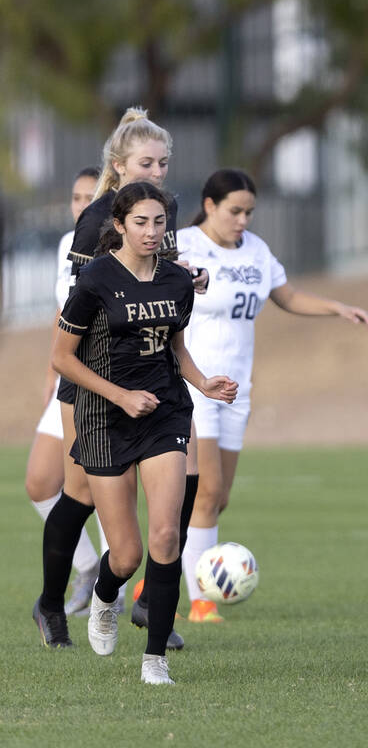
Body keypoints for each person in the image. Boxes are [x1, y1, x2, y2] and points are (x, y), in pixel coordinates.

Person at [50, 182, 237, 684]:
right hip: (106, 418)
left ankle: (155, 659)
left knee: (166, 534)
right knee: (127, 553)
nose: (152, 232)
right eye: (141, 222)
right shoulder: (94, 281)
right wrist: (119, 396)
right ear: (119, 225)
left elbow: (173, 346)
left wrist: (203, 383)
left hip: (165, 413)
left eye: (159, 223)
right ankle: (106, 596)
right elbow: (61, 358)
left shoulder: (177, 281)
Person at [173, 168, 368, 624]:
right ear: (209, 206)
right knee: (204, 494)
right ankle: (200, 601)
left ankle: (157, 576)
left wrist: (337, 308)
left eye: (249, 212)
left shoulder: (257, 251)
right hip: (196, 385)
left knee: (218, 497)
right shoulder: (183, 245)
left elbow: (286, 296)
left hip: (237, 389)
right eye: (235, 211)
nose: (243, 219)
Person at [34, 108, 195, 651]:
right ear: (119, 165)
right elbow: (76, 302)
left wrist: (189, 280)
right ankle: (52, 604)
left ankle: (152, 601)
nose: (157, 170)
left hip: (150, 378)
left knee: (178, 482)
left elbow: (158, 285)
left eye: (164, 162)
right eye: (146, 161)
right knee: (77, 491)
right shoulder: (101, 217)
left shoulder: (157, 215)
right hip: (94, 375)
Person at [27, 167, 103, 631]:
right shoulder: (66, 245)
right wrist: (48, 370)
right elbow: (63, 312)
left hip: (105, 381)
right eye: (75, 197)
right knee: (40, 483)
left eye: (88, 197)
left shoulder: (112, 239)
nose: (80, 206)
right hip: (67, 376)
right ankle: (88, 567)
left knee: (96, 486)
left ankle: (109, 595)